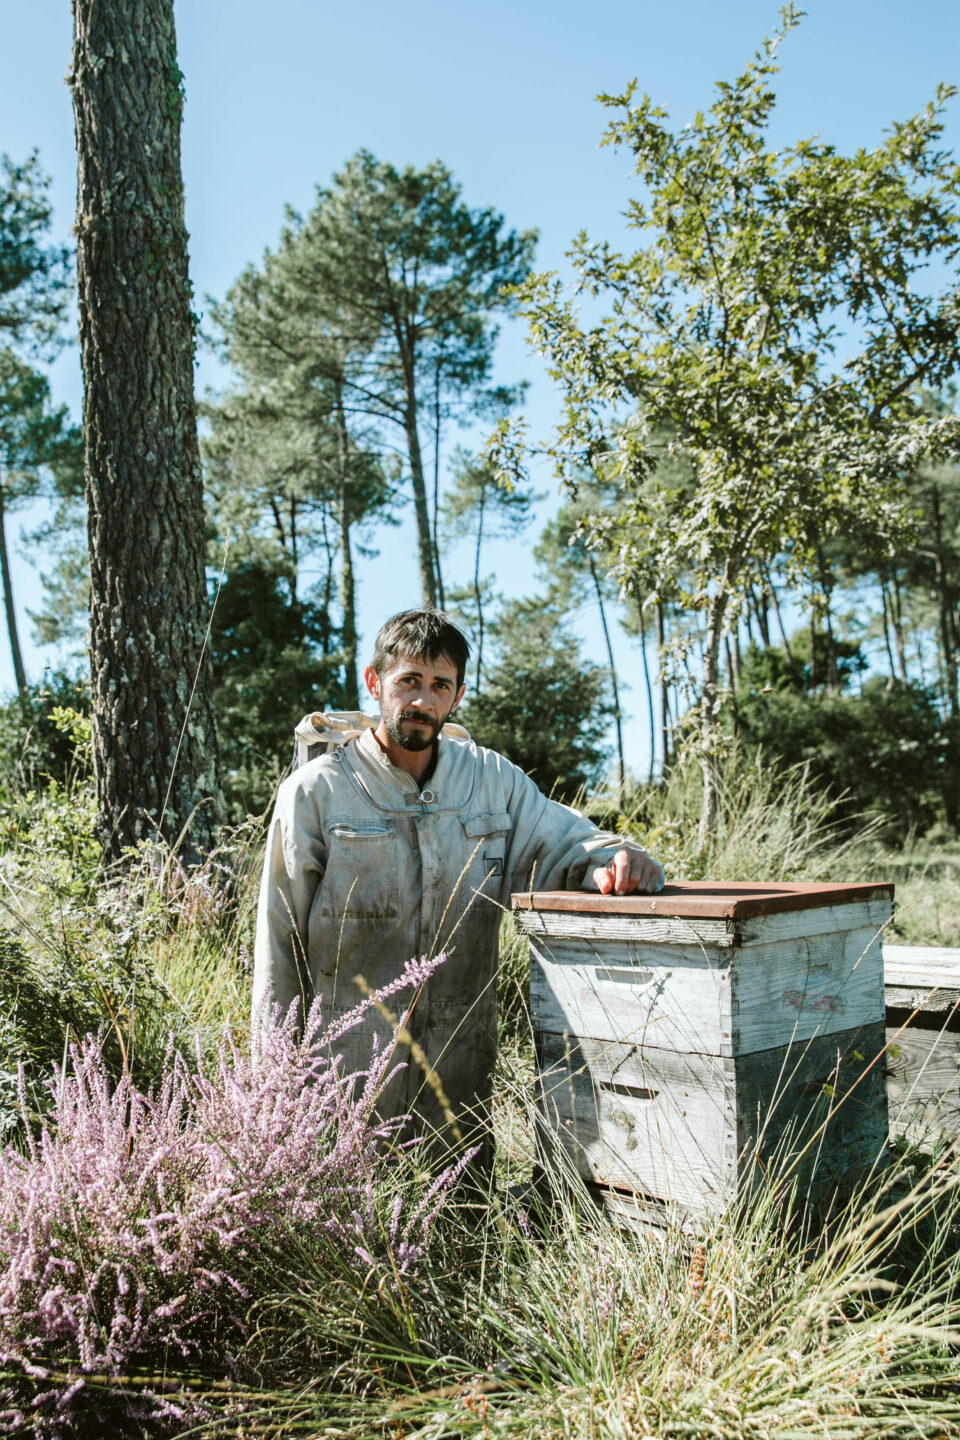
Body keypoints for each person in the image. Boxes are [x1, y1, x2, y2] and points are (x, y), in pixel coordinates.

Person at [253, 609, 664, 1150]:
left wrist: (621, 859)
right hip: (342, 1083)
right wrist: (270, 1087)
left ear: (458, 696)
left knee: (461, 1221)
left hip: (458, 1081)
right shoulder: (316, 793)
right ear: (375, 681)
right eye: (408, 682)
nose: (422, 701)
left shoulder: (491, 781)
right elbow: (278, 948)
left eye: (439, 686)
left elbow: (566, 843)